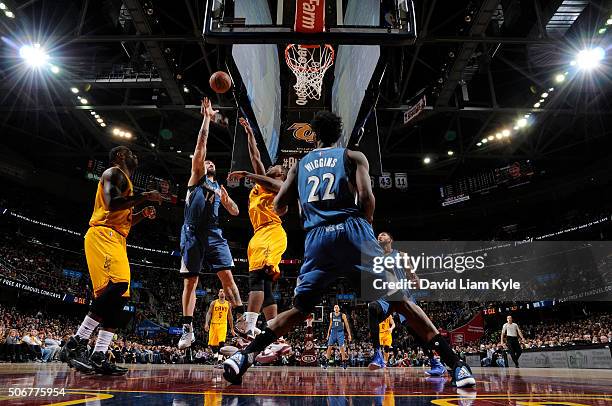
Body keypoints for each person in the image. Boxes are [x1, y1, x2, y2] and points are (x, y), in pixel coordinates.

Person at [223, 111, 475, 388]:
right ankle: (457, 365)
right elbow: (367, 197)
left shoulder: (300, 165)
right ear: (338, 135)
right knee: (400, 300)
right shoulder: (353, 157)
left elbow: (279, 204)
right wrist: (362, 226)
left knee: (299, 309)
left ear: (315, 136)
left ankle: (244, 357)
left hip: (318, 239)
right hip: (353, 231)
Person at [60, 146, 162, 375]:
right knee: (117, 286)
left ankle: (99, 354)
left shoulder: (125, 180)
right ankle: (75, 344)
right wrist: (144, 197)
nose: (135, 154)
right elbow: (112, 204)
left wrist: (141, 215)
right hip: (102, 234)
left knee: (119, 301)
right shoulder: (113, 173)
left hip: (117, 238)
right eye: (130, 152)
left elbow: (122, 218)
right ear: (119, 156)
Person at [178, 98, 244, 350]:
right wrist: (207, 118)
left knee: (228, 277)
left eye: (211, 163)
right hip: (193, 233)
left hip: (214, 233)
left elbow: (236, 212)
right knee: (190, 282)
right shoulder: (196, 178)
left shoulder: (219, 188)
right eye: (206, 162)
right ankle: (187, 329)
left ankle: (242, 321)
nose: (209, 162)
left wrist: (228, 202)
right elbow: (200, 146)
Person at [227, 117, 288, 339]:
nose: (273, 166)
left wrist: (245, 175)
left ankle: (250, 325)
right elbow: (255, 156)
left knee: (257, 280)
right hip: (259, 235)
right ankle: (275, 336)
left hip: (272, 232)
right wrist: (250, 133)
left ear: (281, 174)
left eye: (277, 167)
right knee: (266, 288)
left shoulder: (279, 186)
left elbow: (268, 180)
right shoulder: (260, 185)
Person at [367, 232, 446, 377]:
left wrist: (416, 280)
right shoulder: (376, 258)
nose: (380, 237)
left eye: (383, 235)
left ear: (390, 239)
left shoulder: (401, 255)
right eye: (378, 236)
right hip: (386, 296)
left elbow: (411, 274)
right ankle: (377, 354)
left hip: (403, 295)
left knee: (416, 332)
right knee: (372, 307)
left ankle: (435, 362)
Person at [205, 289, 235, 364]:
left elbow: (230, 317)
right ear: (218, 294)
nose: (222, 293)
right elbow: (209, 313)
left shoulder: (228, 304)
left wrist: (232, 329)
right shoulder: (214, 303)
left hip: (223, 325)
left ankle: (220, 359)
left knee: (221, 342)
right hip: (213, 324)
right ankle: (216, 356)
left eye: (224, 291)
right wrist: (206, 323)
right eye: (220, 291)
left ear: (225, 294)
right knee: (212, 344)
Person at [322, 305, 352, 369]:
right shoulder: (331, 314)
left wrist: (349, 334)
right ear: (333, 309)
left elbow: (347, 325)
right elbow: (330, 324)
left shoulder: (343, 315)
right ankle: (326, 363)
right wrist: (328, 334)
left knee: (341, 348)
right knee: (329, 347)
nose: (336, 308)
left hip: (340, 332)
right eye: (335, 307)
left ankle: (344, 362)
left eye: (337, 307)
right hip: (333, 332)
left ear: (339, 309)